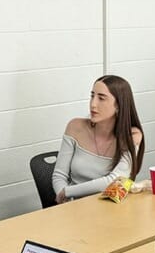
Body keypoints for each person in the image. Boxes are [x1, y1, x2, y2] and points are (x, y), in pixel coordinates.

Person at [52, 74, 144, 202]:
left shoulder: (132, 135)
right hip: (72, 206)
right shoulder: (75, 127)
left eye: (101, 98)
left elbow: (116, 179)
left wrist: (67, 191)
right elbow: (59, 175)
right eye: (92, 96)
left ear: (118, 105)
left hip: (108, 207)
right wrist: (66, 200)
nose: (93, 104)